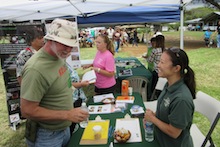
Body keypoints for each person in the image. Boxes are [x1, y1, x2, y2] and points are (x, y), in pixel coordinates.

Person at [20, 18, 89, 147]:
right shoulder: (35, 69)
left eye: (71, 46)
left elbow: (63, 83)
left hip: (64, 127)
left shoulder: (58, 56)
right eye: (64, 44)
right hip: (46, 135)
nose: (69, 50)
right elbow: (27, 110)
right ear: (50, 40)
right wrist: (68, 114)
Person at [144, 47, 196, 147]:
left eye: (162, 62)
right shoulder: (169, 84)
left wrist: (153, 119)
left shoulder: (182, 99)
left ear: (176, 68)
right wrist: (154, 115)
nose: (158, 65)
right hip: (159, 138)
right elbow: (167, 113)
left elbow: (174, 132)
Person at [66, 63, 89, 135]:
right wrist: (81, 84)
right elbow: (66, 85)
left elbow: (70, 80)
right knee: (72, 126)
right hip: (71, 99)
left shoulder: (64, 63)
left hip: (77, 97)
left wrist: (79, 81)